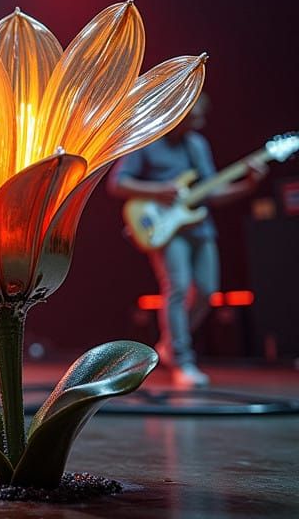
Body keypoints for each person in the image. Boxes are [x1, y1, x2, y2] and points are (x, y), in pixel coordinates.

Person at [108, 93, 266, 388]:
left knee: (207, 292)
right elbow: (117, 183)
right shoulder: (149, 142)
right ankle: (182, 360)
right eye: (195, 118)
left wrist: (248, 185)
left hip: (200, 228)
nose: (200, 123)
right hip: (166, 230)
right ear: (178, 115)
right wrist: (158, 191)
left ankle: (169, 345)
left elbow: (211, 193)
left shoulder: (197, 145)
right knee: (177, 289)